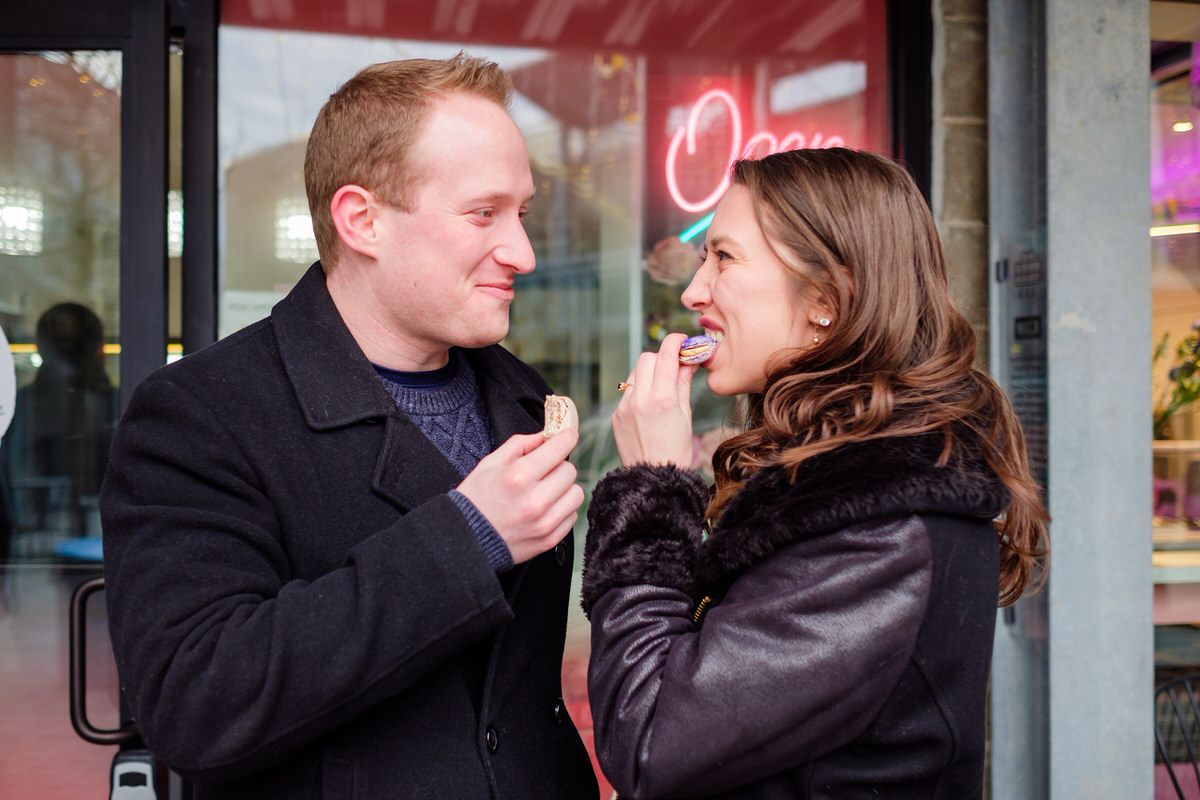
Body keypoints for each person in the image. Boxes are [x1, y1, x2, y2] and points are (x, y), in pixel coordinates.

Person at [101, 54, 599, 799]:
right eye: (483, 213)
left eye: (521, 214)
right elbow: (193, 701)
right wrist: (468, 537)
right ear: (361, 220)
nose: (522, 253)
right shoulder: (201, 413)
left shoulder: (521, 394)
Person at [580, 148, 1049, 799]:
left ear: (826, 299)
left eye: (724, 257)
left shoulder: (879, 526)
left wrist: (652, 487)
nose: (694, 292)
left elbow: (653, 738)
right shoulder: (833, 487)